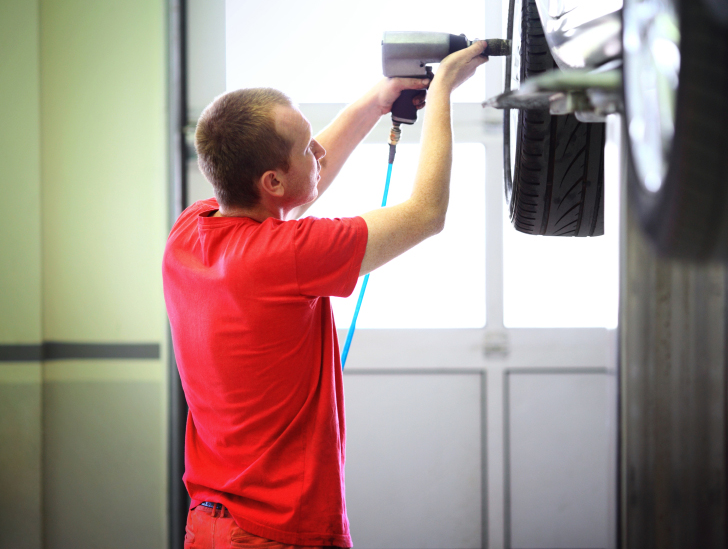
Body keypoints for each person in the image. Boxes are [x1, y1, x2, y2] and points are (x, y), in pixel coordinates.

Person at [162, 41, 488, 549]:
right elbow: (427, 213)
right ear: (270, 180)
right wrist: (444, 92)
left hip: (210, 524)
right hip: (276, 534)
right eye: (307, 147)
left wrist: (374, 102)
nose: (319, 152)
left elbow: (295, 189)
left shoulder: (191, 230)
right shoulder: (284, 255)